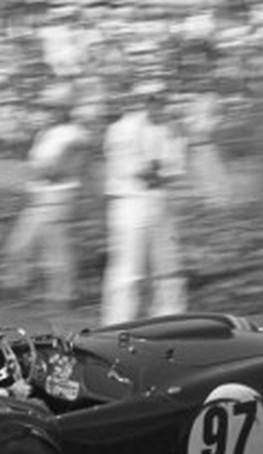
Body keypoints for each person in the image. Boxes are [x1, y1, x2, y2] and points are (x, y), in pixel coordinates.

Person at [101, 80, 187, 326]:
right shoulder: (120, 129)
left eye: (160, 99)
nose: (155, 104)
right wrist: (156, 169)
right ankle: (116, 323)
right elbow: (135, 170)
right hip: (129, 202)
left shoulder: (172, 129)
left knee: (168, 266)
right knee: (128, 270)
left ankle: (170, 320)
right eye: (150, 99)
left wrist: (157, 170)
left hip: (160, 201)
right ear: (139, 101)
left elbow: (175, 169)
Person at [2, 83, 89, 307]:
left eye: (53, 107)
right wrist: (38, 173)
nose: (48, 111)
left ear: (66, 108)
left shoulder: (76, 134)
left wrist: (42, 170)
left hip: (59, 197)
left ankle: (63, 297)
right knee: (18, 246)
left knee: (56, 252)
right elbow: (35, 166)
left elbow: (61, 169)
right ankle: (21, 292)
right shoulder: (45, 133)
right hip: (39, 196)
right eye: (48, 107)